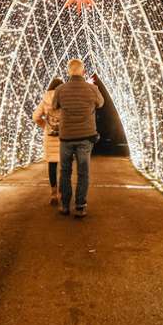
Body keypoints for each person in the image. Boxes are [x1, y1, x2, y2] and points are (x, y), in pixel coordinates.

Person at [51, 58, 103, 218]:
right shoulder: (92, 89)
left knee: (65, 171)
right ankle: (80, 206)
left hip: (66, 136)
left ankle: (65, 205)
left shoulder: (60, 89)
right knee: (83, 172)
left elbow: (54, 106)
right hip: (86, 136)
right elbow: (100, 103)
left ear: (68, 71)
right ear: (83, 71)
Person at [31, 76, 63, 206]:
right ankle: (62, 193)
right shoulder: (64, 98)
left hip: (50, 137)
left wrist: (45, 125)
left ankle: (53, 194)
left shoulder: (45, 100)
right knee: (64, 167)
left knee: (52, 166)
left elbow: (35, 117)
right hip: (64, 137)